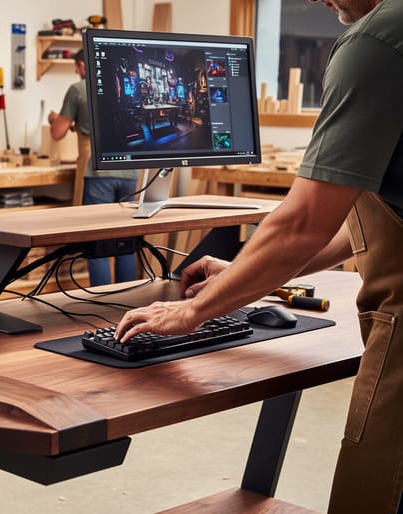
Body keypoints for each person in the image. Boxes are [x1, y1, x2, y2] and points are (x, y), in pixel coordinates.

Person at [115, 1, 402, 512]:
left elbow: (303, 222)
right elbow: (357, 220)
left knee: (380, 490)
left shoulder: (376, 43)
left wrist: (193, 311)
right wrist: (248, 277)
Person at [47, 49, 138, 286]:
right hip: (130, 170)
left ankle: (101, 302)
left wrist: (54, 120)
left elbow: (58, 133)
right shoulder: (120, 85)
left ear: (83, 65)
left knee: (97, 242)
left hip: (98, 173)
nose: (77, 72)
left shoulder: (78, 90)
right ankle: (127, 302)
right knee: (125, 244)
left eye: (77, 66)